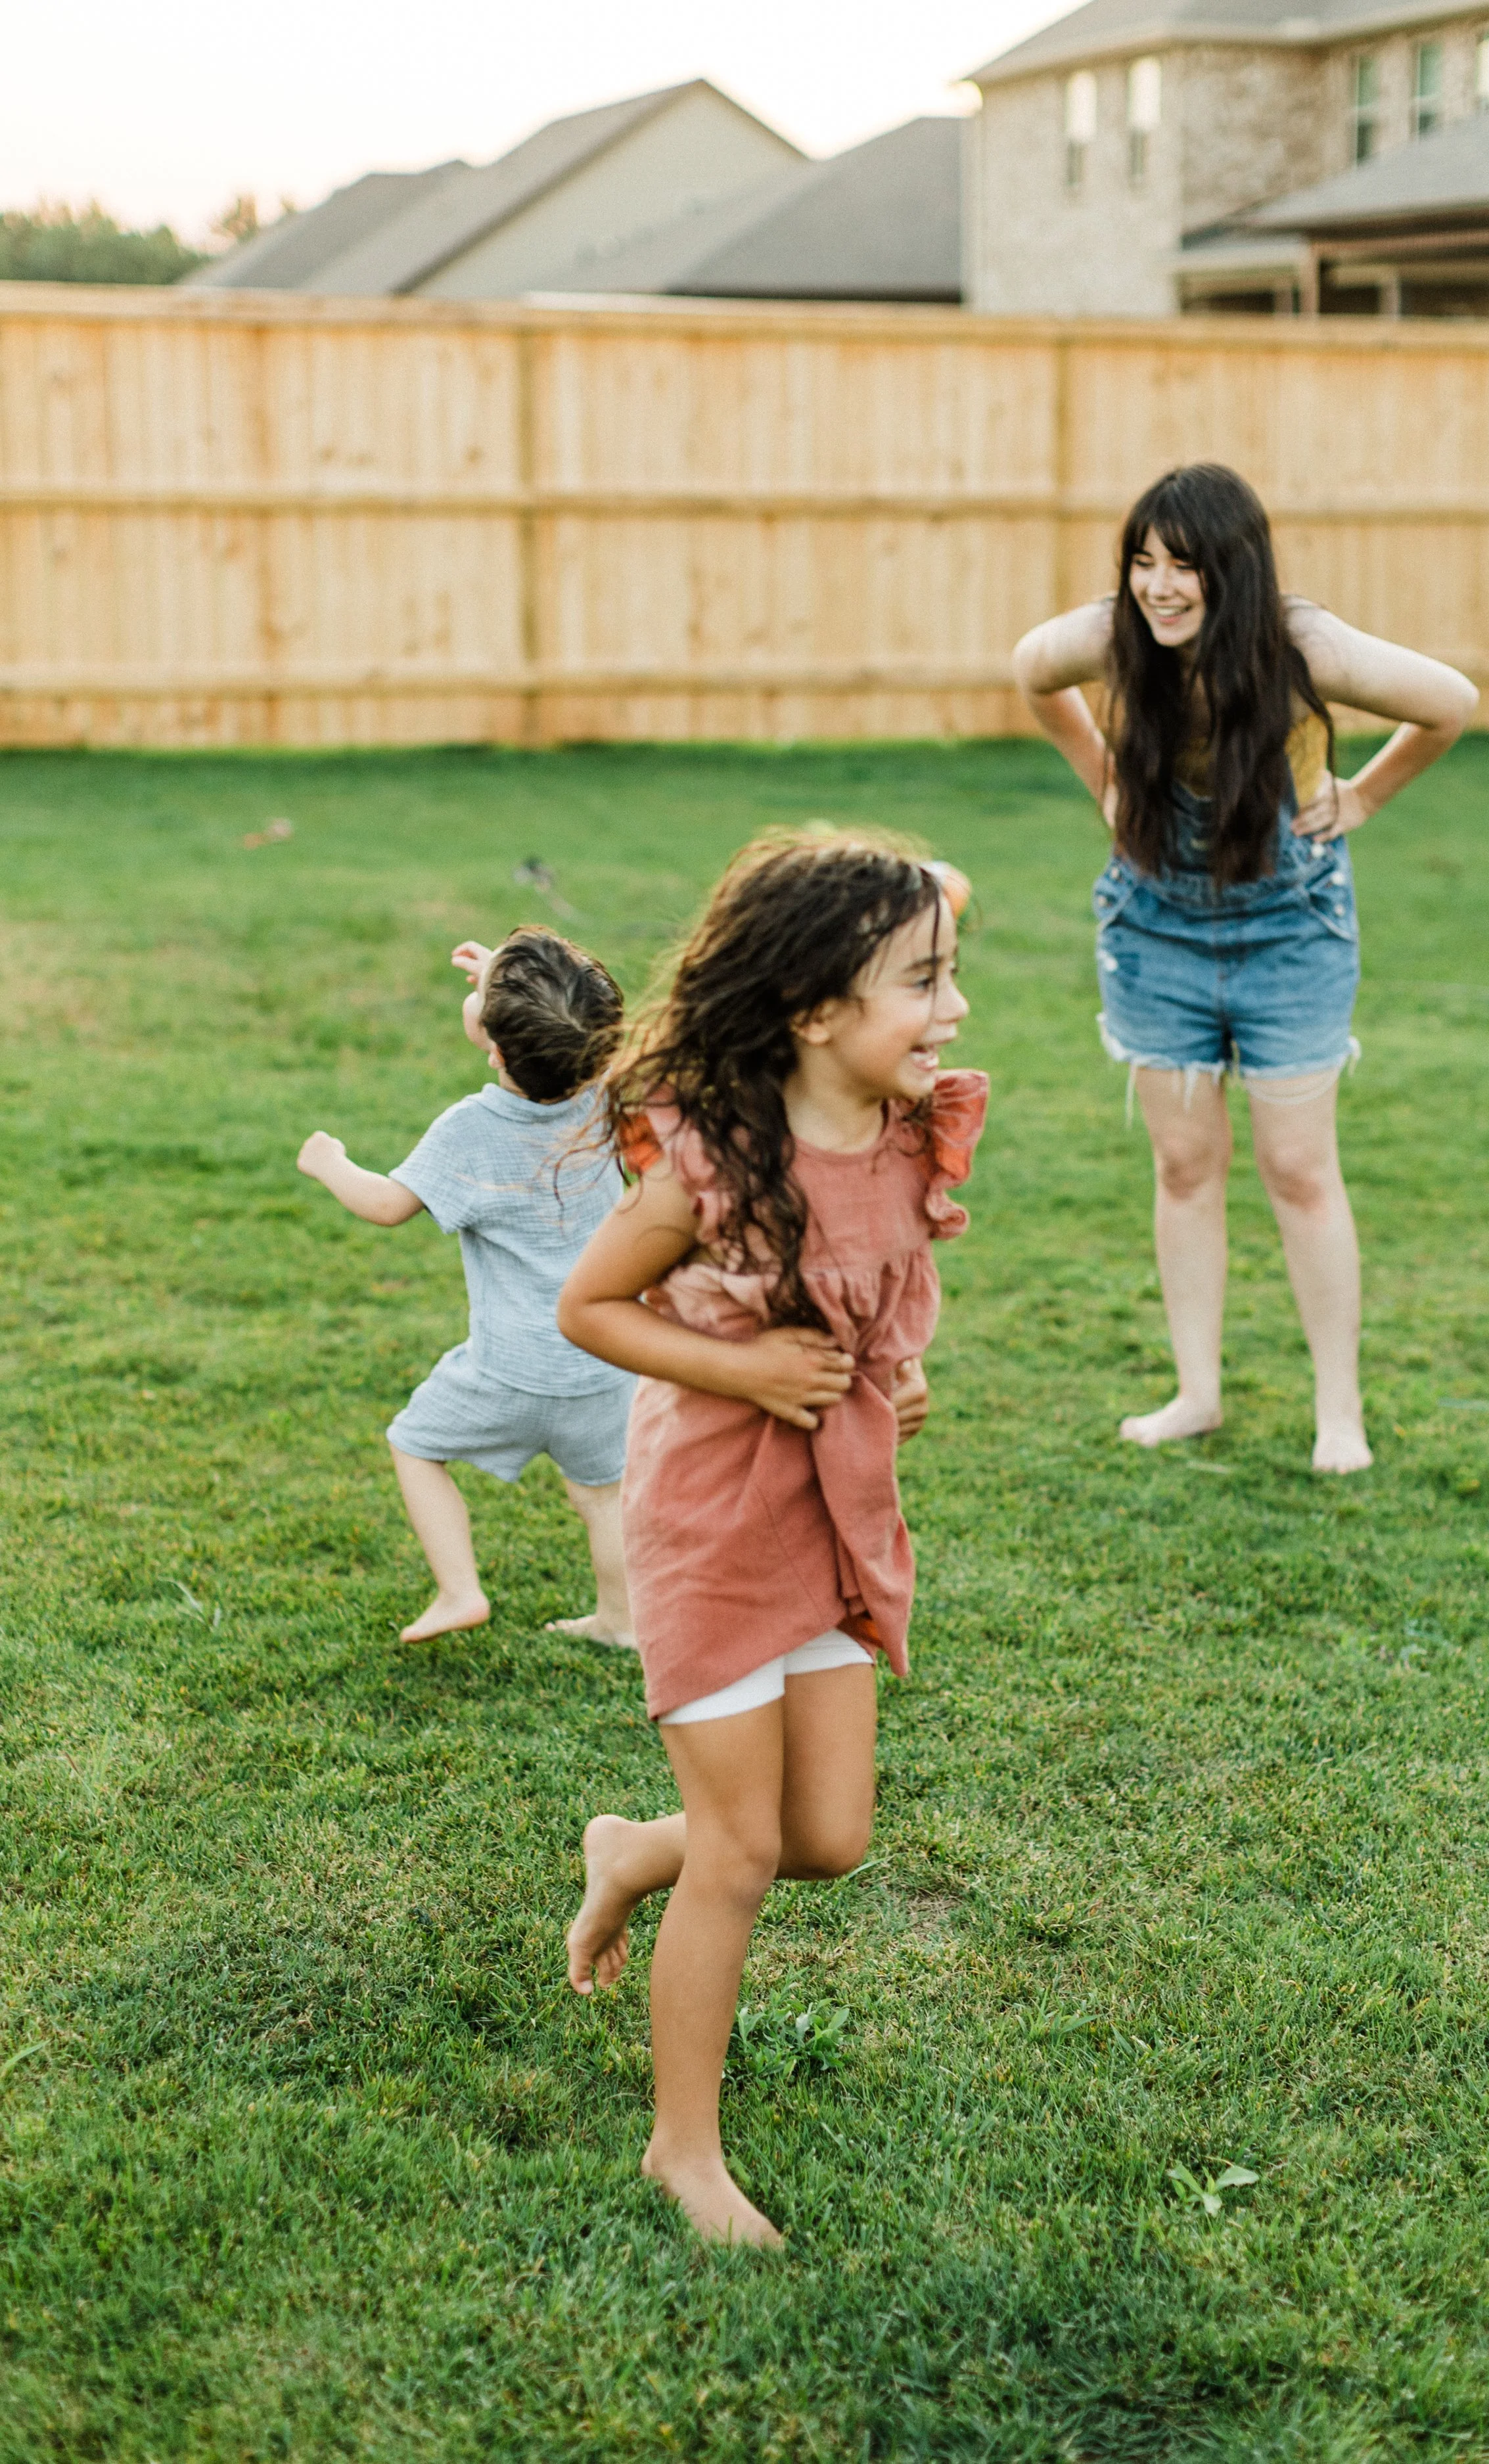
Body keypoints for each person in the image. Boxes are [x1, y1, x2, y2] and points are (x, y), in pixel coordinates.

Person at [556, 829, 986, 2247]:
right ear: (814, 1013)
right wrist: (744, 1373)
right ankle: (681, 2150)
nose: (953, 1008)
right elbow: (591, 1311)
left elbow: (879, 1306)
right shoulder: (713, 1163)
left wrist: (896, 1376)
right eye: (921, 983)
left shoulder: (904, 1135)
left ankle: (628, 1852)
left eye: (948, 977)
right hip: (711, 1530)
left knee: (829, 1836)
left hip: (831, 1525)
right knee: (742, 1851)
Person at [1013, 462, 1477, 1474]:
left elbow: (1450, 702)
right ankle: (1197, 1393)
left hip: (1290, 930)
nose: (1160, 587)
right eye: (1143, 562)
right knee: (1184, 1166)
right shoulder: (1112, 634)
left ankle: (1338, 1415)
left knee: (1300, 1173)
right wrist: (1101, 777)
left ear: (1237, 569)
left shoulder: (1304, 645)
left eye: (1185, 565)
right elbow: (1031, 671)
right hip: (1154, 927)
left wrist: (1364, 799)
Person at [296, 928, 635, 1645]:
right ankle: (620, 1622)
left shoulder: (471, 1128)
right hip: (605, 1360)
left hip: (508, 1369)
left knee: (415, 1446)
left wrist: (330, 1163)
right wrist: (505, 983)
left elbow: (388, 1205)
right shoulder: (606, 1096)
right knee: (603, 1497)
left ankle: (459, 1592)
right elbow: (558, 1031)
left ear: (495, 1046)